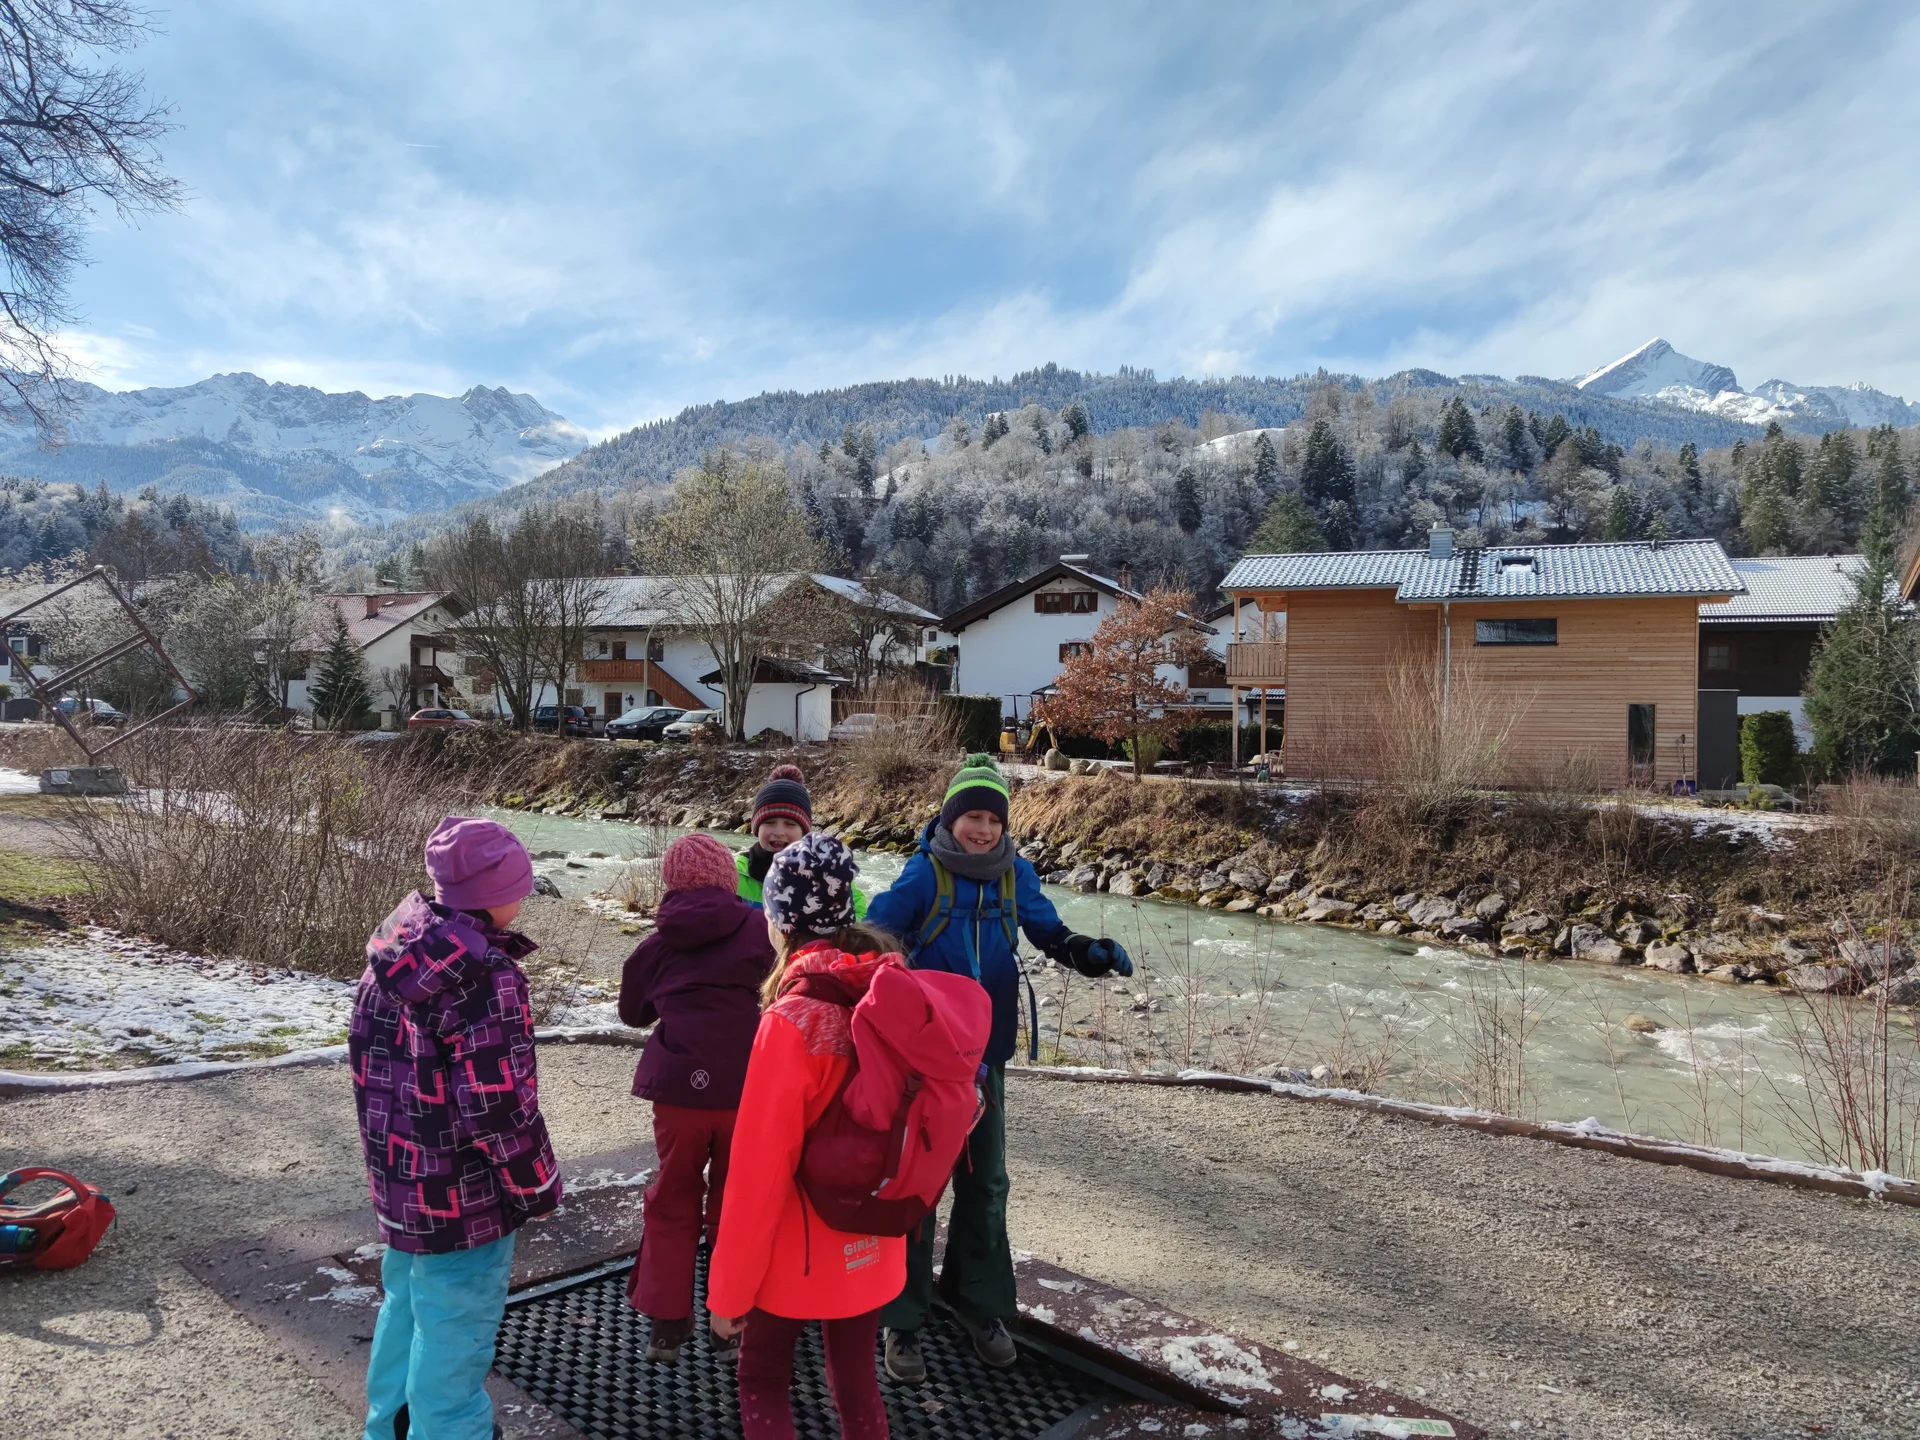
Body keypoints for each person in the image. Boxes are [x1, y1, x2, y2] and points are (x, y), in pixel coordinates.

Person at [865, 753, 1131, 1385]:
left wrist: (1087, 954)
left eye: (991, 818)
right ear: (951, 820)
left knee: (986, 1184)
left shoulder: (1017, 876)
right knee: (917, 1184)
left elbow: (1048, 934)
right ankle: (901, 1316)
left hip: (986, 1055)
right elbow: (876, 929)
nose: (981, 829)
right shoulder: (923, 873)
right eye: (971, 818)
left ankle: (977, 1302)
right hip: (927, 1061)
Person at [353, 816, 562, 1440]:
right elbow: (500, 1107)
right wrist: (538, 1187)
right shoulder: (485, 980)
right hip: (464, 1198)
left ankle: (386, 1426)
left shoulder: (396, 955)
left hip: (401, 1180)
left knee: (408, 1306)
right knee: (457, 1330)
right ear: (498, 895)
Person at [706, 833, 904, 1440]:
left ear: (782, 923)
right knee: (855, 1377)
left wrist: (728, 1290)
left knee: (762, 1377)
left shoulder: (791, 1021)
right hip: (873, 1235)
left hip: (797, 1249)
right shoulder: (891, 990)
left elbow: (758, 1171)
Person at [617, 832, 775, 1364]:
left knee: (673, 1194)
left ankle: (667, 1321)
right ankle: (728, 1322)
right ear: (730, 881)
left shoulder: (657, 943)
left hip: (679, 1090)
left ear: (670, 883)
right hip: (745, 1089)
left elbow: (633, 1012)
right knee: (735, 1202)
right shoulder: (758, 926)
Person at [735, 763, 867, 917]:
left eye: (790, 824)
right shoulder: (736, 873)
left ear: (804, 832)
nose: (778, 832)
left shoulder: (828, 872)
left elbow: (858, 915)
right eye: (769, 823)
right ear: (756, 828)